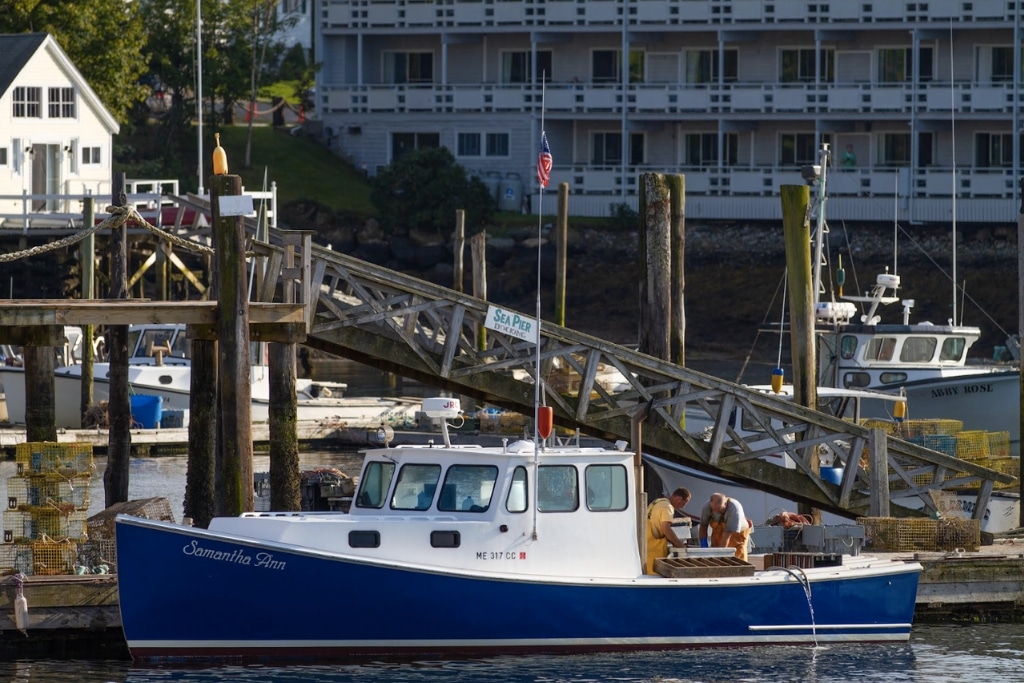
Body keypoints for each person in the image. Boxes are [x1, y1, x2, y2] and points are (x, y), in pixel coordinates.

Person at [645, 487, 691, 575]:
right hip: (656, 549)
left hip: (646, 546)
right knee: (655, 578)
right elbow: (666, 529)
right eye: (684, 503)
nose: (683, 506)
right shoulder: (668, 507)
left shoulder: (656, 502)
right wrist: (680, 545)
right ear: (679, 499)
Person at [698, 492, 752, 563]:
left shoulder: (734, 508)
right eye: (714, 510)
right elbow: (703, 527)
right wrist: (704, 546)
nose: (716, 511)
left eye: (719, 509)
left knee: (738, 560)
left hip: (737, 536)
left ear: (725, 504)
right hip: (718, 536)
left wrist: (720, 557)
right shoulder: (707, 507)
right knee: (714, 558)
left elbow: (726, 536)